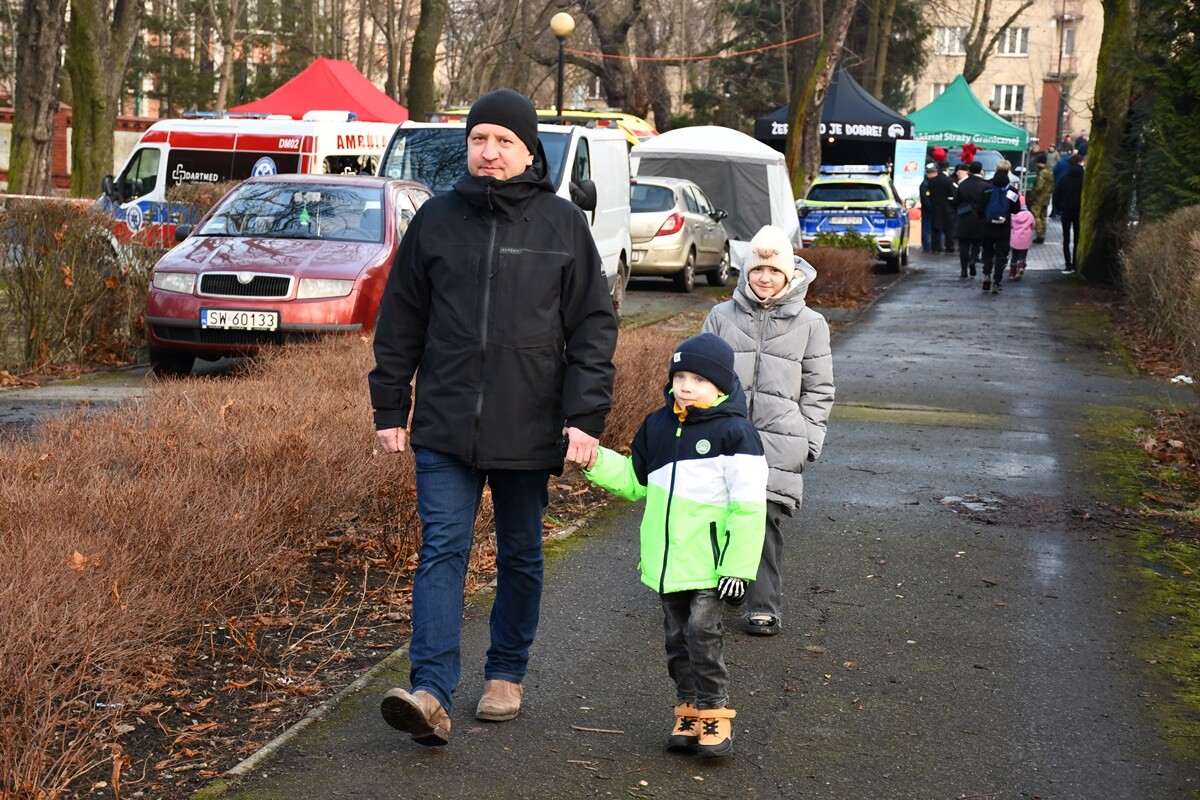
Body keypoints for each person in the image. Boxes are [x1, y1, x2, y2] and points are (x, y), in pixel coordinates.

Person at [369, 88, 618, 747]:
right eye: (479, 139)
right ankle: (429, 692)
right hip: (445, 425)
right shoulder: (436, 221)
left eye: (504, 141)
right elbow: (400, 322)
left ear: (528, 149)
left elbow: (594, 329)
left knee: (520, 554)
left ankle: (506, 672)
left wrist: (584, 418)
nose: (489, 151)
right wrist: (390, 405)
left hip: (529, 424)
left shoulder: (562, 225)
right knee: (443, 549)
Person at [582, 332, 768, 758]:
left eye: (698, 379)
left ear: (721, 386)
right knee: (677, 642)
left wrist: (738, 567)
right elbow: (634, 482)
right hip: (669, 564)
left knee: (704, 635)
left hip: (711, 564)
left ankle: (715, 715)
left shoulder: (736, 434)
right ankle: (687, 709)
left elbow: (749, 508)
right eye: (680, 375)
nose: (686, 385)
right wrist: (595, 459)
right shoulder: (658, 425)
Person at [702, 225, 835, 636]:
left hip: (778, 443)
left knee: (762, 520)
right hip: (724, 436)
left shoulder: (811, 323)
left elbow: (819, 388)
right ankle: (724, 584)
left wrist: (809, 440)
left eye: (773, 271)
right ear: (746, 273)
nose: (764, 278)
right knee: (718, 516)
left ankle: (764, 606)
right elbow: (699, 373)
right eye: (757, 269)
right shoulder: (721, 316)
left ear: (788, 274)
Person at [974, 159, 1021, 294]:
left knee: (987, 251)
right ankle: (997, 282)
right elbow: (1016, 210)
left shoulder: (987, 189)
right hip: (1003, 227)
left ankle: (987, 274)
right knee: (1001, 254)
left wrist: (985, 218)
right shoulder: (1011, 191)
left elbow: (979, 208)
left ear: (996, 170)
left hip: (988, 227)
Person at [952, 161, 988, 279]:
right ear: (980, 170)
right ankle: (973, 260)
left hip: (964, 217)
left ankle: (963, 270)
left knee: (963, 244)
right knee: (977, 243)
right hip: (979, 217)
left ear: (970, 170)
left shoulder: (962, 184)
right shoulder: (985, 185)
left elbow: (955, 201)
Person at [1053, 154, 1085, 273]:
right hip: (1079, 211)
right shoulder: (1084, 178)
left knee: (1066, 238)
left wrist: (1059, 208)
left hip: (1066, 210)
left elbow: (1056, 196)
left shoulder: (1064, 178)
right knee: (1077, 237)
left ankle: (1068, 264)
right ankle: (1076, 264)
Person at [1009, 194, 1035, 282]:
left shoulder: (1013, 215)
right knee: (1022, 255)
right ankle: (1021, 267)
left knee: (1014, 256)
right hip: (1025, 239)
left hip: (1015, 239)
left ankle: (1012, 273)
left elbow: (1011, 225)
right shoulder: (1029, 214)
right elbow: (1033, 225)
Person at [1028, 154, 1053, 243]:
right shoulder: (1050, 172)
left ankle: (1039, 234)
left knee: (1035, 214)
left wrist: (1032, 195)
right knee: (1043, 216)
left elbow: (1039, 186)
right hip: (1046, 197)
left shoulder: (1042, 172)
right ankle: (1042, 234)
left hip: (1039, 198)